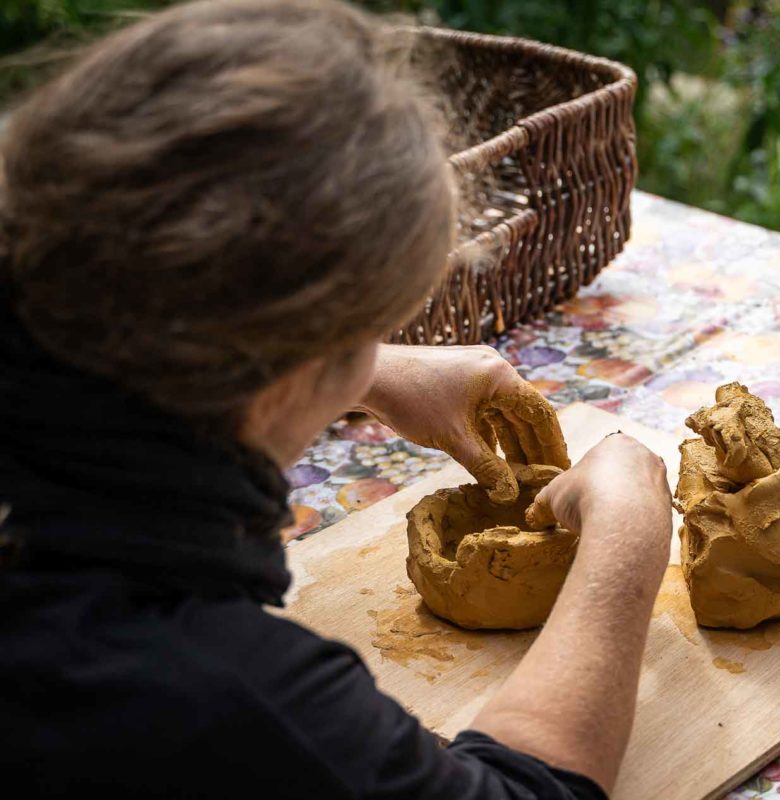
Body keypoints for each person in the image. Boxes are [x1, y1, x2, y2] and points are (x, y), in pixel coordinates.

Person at [0, 1, 674, 797]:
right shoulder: (229, 698)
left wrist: (369, 368)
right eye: (369, 331)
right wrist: (627, 547)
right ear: (282, 373)